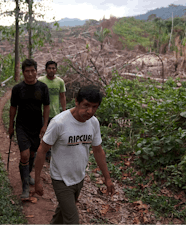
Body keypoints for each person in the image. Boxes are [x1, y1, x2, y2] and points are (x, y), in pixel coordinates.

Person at [34, 85, 115, 225]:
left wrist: (107, 178)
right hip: (61, 178)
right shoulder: (59, 123)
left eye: (94, 107)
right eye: (86, 105)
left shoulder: (93, 123)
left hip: (79, 177)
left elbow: (98, 150)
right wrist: (37, 180)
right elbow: (42, 150)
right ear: (76, 101)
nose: (90, 111)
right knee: (72, 220)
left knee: (62, 212)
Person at [8, 59, 50, 199]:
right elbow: (13, 107)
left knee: (32, 154)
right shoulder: (17, 89)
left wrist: (45, 125)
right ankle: (25, 186)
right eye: (27, 71)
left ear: (36, 71)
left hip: (36, 126)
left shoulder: (43, 88)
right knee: (24, 155)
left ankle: (27, 175)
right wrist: (10, 125)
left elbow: (47, 107)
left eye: (33, 71)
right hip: (21, 126)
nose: (30, 74)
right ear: (23, 72)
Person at [38, 61, 66, 162]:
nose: (51, 70)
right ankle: (38, 152)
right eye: (49, 68)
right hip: (40, 112)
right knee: (40, 132)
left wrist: (64, 111)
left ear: (56, 69)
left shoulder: (60, 82)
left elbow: (62, 97)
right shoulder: (40, 81)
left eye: (53, 68)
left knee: (52, 134)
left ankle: (49, 153)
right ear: (46, 69)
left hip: (55, 113)